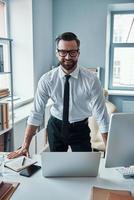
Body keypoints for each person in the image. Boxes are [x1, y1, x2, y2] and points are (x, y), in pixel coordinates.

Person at [8, 32, 109, 158]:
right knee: (56, 168)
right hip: (56, 127)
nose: (67, 57)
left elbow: (102, 116)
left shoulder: (91, 80)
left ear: (78, 53)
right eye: (63, 52)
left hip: (80, 128)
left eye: (72, 52)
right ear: (57, 53)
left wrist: (110, 151)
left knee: (85, 168)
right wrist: (25, 146)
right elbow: (36, 114)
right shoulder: (47, 80)